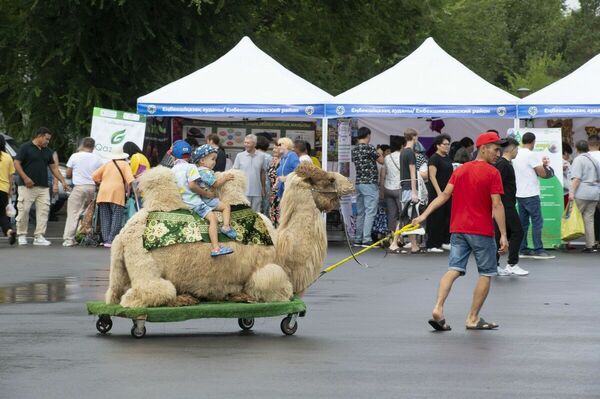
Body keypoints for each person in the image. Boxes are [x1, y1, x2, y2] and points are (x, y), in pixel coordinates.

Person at [413, 131, 508, 331]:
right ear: (483, 148)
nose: (498, 154)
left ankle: (438, 307)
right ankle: (472, 318)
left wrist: (423, 216)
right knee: (486, 272)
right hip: (481, 230)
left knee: (453, 269)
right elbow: (497, 205)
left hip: (458, 229)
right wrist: (504, 235)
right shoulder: (493, 173)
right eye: (495, 149)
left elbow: (444, 195)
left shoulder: (461, 170)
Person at [171, 141, 234, 257]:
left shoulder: (172, 170)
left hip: (181, 201)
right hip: (193, 202)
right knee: (213, 219)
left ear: (174, 155)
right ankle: (216, 248)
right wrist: (206, 193)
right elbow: (192, 185)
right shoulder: (191, 167)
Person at [13, 127, 70, 246]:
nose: (47, 142)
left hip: (43, 187)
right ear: (39, 136)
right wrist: (25, 178)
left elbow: (54, 168)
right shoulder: (25, 147)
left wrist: (63, 181)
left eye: (49, 140)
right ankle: (22, 235)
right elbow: (16, 163)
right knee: (24, 210)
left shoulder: (47, 151)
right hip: (26, 186)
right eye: (46, 139)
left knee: (43, 211)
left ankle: (39, 236)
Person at [513, 132, 555, 259]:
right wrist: (546, 169)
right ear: (533, 142)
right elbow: (542, 173)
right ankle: (539, 250)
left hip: (520, 193)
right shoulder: (531, 155)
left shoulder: (517, 153)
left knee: (523, 223)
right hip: (531, 193)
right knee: (537, 222)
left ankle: (523, 249)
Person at [191, 145, 237, 255]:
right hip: (207, 200)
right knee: (226, 206)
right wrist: (225, 178)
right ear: (202, 160)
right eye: (212, 159)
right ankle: (226, 226)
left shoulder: (197, 171)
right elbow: (215, 184)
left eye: (215, 159)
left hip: (203, 199)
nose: (214, 162)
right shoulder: (205, 172)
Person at [62, 137, 103, 247]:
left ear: (82, 145)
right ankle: (83, 236)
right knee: (87, 214)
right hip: (92, 188)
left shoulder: (75, 156)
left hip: (79, 187)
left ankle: (69, 239)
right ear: (93, 147)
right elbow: (100, 175)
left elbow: (68, 173)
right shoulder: (98, 159)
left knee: (73, 213)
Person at [494, 138, 527, 275]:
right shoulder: (503, 164)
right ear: (512, 149)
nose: (517, 151)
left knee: (499, 235)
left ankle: (494, 265)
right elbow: (495, 184)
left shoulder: (505, 163)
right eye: (517, 149)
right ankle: (512, 264)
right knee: (518, 232)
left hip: (506, 203)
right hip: (505, 205)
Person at [92, 146, 134, 248]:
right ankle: (112, 240)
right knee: (116, 216)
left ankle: (106, 240)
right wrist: (130, 192)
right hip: (116, 193)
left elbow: (94, 176)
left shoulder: (107, 164)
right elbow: (130, 180)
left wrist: (101, 183)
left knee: (105, 217)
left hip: (103, 192)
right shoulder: (125, 164)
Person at [351, 127, 384, 247]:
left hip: (359, 182)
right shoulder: (370, 147)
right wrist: (379, 152)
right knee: (370, 211)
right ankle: (366, 239)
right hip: (369, 183)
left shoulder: (354, 150)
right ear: (368, 135)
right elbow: (382, 161)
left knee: (361, 212)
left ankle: (358, 238)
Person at [569, 140, 600, 253]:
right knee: (589, 219)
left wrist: (571, 193)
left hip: (582, 193)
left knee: (572, 217)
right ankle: (590, 245)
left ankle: (567, 241)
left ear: (576, 148)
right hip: (594, 193)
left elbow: (576, 179)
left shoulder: (578, 159)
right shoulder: (594, 160)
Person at [426, 134, 453, 253]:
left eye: (448, 144)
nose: (447, 146)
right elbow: (432, 176)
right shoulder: (434, 158)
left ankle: (445, 241)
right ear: (438, 145)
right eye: (445, 144)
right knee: (436, 217)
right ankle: (432, 243)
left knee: (448, 216)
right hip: (437, 192)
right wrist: (439, 192)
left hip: (448, 192)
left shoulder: (447, 157)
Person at [398, 128, 421, 253]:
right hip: (409, 187)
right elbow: (413, 174)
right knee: (410, 216)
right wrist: (414, 192)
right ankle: (413, 245)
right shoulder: (410, 153)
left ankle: (400, 241)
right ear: (413, 137)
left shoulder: (403, 152)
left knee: (405, 216)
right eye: (417, 137)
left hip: (404, 186)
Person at [380, 139, 403, 252]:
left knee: (391, 215)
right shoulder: (403, 156)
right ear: (402, 145)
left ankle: (391, 238)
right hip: (399, 188)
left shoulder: (387, 158)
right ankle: (399, 239)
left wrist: (382, 190)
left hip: (388, 187)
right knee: (403, 214)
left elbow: (384, 173)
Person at [233, 134, 266, 212]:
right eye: (245, 142)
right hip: (243, 191)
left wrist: (263, 188)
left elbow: (262, 172)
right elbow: (235, 173)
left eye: (248, 143)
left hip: (257, 191)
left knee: (256, 214)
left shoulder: (261, 156)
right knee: (243, 213)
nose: (246, 145)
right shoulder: (239, 156)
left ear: (254, 144)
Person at [0, 135, 16, 245]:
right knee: (2, 214)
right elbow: (11, 177)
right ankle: (9, 231)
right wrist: (10, 191)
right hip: (3, 190)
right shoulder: (7, 157)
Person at [275, 137, 300, 201]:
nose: (278, 147)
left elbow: (299, 172)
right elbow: (281, 173)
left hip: (290, 191)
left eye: (280, 145)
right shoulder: (283, 158)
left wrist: (286, 178)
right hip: (283, 191)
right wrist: (278, 180)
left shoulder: (292, 156)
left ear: (286, 145)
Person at [256, 135, 273, 215]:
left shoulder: (252, 155)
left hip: (253, 185)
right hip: (266, 185)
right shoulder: (269, 157)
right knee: (265, 209)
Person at [268, 144, 282, 226]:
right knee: (273, 217)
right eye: (273, 148)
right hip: (273, 194)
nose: (273, 150)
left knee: (281, 218)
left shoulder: (285, 161)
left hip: (282, 193)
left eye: (276, 148)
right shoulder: (273, 160)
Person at [562, 142, 573, 208]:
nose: (569, 156)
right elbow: (571, 177)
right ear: (565, 152)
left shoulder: (552, 161)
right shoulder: (565, 163)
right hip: (566, 193)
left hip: (555, 191)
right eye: (569, 154)